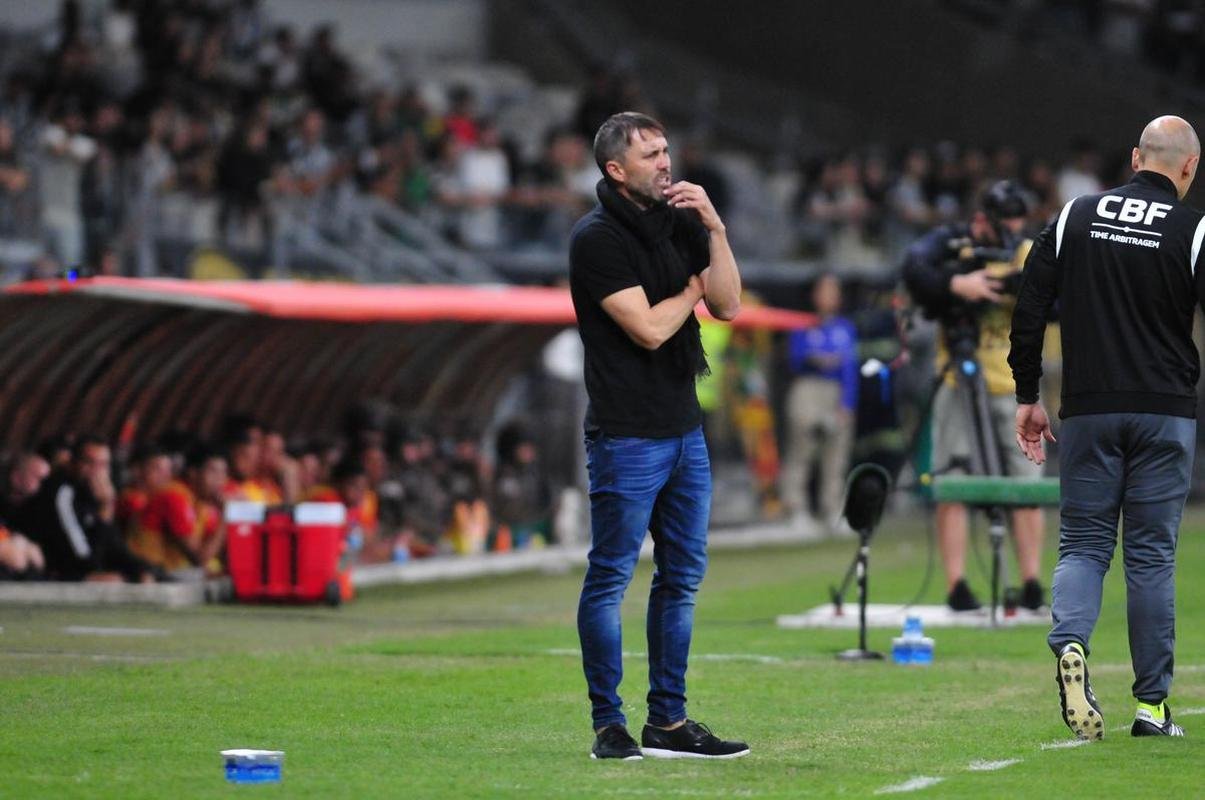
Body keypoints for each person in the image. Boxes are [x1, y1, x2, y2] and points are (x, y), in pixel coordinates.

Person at [1009, 115, 1203, 739]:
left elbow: (1030, 303)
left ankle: (1070, 643)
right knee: (1150, 558)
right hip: (1164, 411)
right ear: (1189, 170)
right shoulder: (1195, 229)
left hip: (1087, 408)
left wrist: (1026, 395)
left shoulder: (1074, 216)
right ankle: (1151, 709)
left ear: (1133, 158)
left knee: (1083, 546)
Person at [570, 111, 747, 760]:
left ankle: (667, 722)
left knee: (680, 579)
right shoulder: (595, 240)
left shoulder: (679, 220)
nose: (666, 162)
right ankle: (607, 724)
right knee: (611, 576)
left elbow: (727, 305)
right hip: (625, 435)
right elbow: (646, 329)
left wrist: (715, 230)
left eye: (666, 149)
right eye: (650, 154)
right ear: (616, 170)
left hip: (682, 429)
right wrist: (692, 288)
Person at [902, 180, 1046, 612]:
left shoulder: (1025, 252)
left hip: (1012, 385)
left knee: (1025, 488)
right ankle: (957, 585)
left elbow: (1055, 301)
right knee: (953, 483)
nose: (1008, 236)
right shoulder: (953, 244)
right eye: (1004, 226)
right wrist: (958, 285)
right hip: (957, 381)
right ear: (982, 218)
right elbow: (913, 269)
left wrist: (1007, 288)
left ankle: (1032, 582)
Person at [779, 273, 859, 534]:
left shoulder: (845, 328)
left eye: (834, 290)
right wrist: (818, 359)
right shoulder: (802, 324)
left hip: (836, 391)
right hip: (808, 390)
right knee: (802, 448)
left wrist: (847, 403)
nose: (829, 296)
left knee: (836, 454)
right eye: (824, 290)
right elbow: (795, 359)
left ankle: (833, 509)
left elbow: (849, 366)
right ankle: (796, 509)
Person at [25, 436, 158, 582]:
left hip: (85, 568)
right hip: (53, 575)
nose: (97, 472)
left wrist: (143, 570)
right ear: (73, 464)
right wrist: (105, 509)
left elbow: (115, 548)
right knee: (113, 581)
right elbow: (84, 562)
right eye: (90, 463)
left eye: (103, 465)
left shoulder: (96, 495)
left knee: (146, 576)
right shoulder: (62, 495)